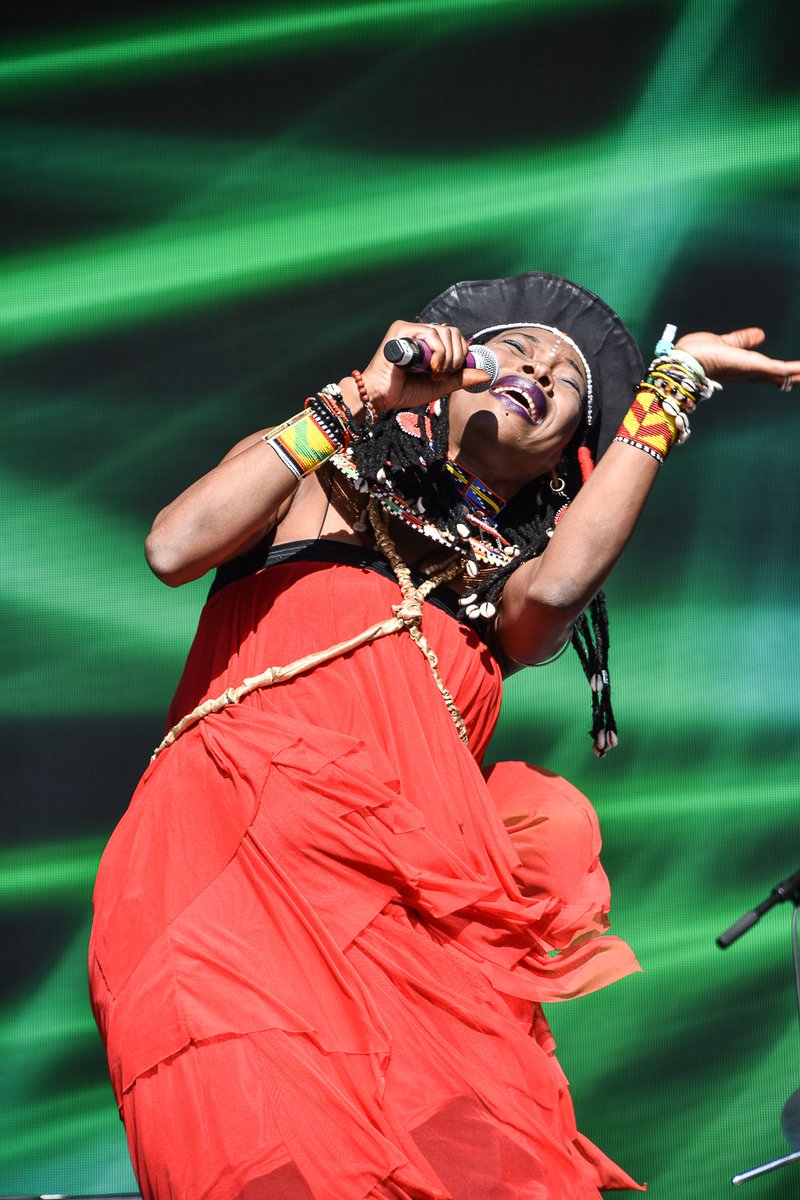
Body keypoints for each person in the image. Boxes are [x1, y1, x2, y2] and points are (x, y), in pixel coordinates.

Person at [89, 273, 799, 1200]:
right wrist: (365, 397)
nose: (541, 365)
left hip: (414, 908)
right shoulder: (315, 483)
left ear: (561, 462)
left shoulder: (506, 594)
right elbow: (174, 546)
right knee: (258, 1145)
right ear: (454, 374)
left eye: (568, 381)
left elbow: (557, 588)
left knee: (463, 1154)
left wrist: (669, 390)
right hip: (229, 864)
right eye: (518, 347)